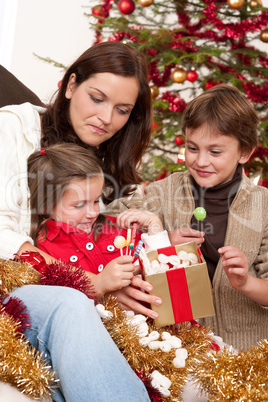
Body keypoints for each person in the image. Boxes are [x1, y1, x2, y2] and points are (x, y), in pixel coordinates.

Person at [0, 41, 155, 401]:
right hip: (16, 283)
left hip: (74, 289)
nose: (106, 118)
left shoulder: (108, 159)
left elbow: (112, 236)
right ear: (71, 86)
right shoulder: (15, 127)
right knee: (70, 303)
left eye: (122, 110)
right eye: (97, 98)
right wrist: (89, 282)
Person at [107, 84, 268, 351]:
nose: (201, 161)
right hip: (179, 349)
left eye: (215, 152)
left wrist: (245, 282)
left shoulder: (262, 206)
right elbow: (107, 225)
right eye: (192, 148)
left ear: (244, 152)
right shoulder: (163, 192)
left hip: (248, 351)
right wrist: (162, 240)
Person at [27, 143, 168, 300]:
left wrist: (156, 231)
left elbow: (167, 278)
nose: (93, 213)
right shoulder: (42, 252)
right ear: (45, 205)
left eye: (96, 201)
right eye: (79, 205)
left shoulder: (118, 228)